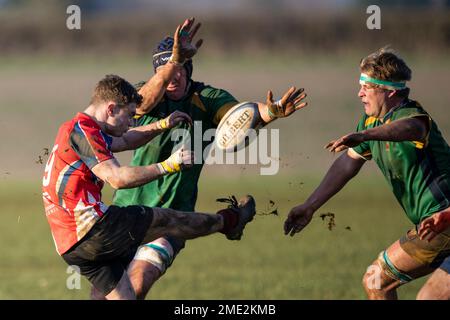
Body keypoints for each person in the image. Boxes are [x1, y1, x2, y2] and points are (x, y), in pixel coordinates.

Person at [42, 20, 257, 300]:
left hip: (70, 244)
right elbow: (118, 178)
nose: (132, 121)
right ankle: (230, 221)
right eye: (129, 115)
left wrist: (161, 125)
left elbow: (126, 140)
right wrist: (169, 165)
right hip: (95, 229)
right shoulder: (83, 131)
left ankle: (229, 221)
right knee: (168, 221)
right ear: (110, 108)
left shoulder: (77, 129)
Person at [112, 23, 308, 299]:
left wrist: (271, 112)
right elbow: (142, 104)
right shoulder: (144, 94)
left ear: (189, 69)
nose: (173, 77)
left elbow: (241, 115)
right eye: (165, 70)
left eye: (179, 69)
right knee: (107, 295)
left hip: (173, 214)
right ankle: (231, 220)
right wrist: (174, 60)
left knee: (137, 284)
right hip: (126, 210)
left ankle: (229, 221)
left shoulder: (208, 98)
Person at [284, 47, 450, 300]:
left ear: (390, 91)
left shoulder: (412, 116)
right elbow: (346, 165)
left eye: (367, 86)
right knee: (380, 282)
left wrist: (364, 135)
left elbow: (409, 129)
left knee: (380, 282)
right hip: (433, 227)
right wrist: (310, 205)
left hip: (443, 221)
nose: (359, 93)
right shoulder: (370, 123)